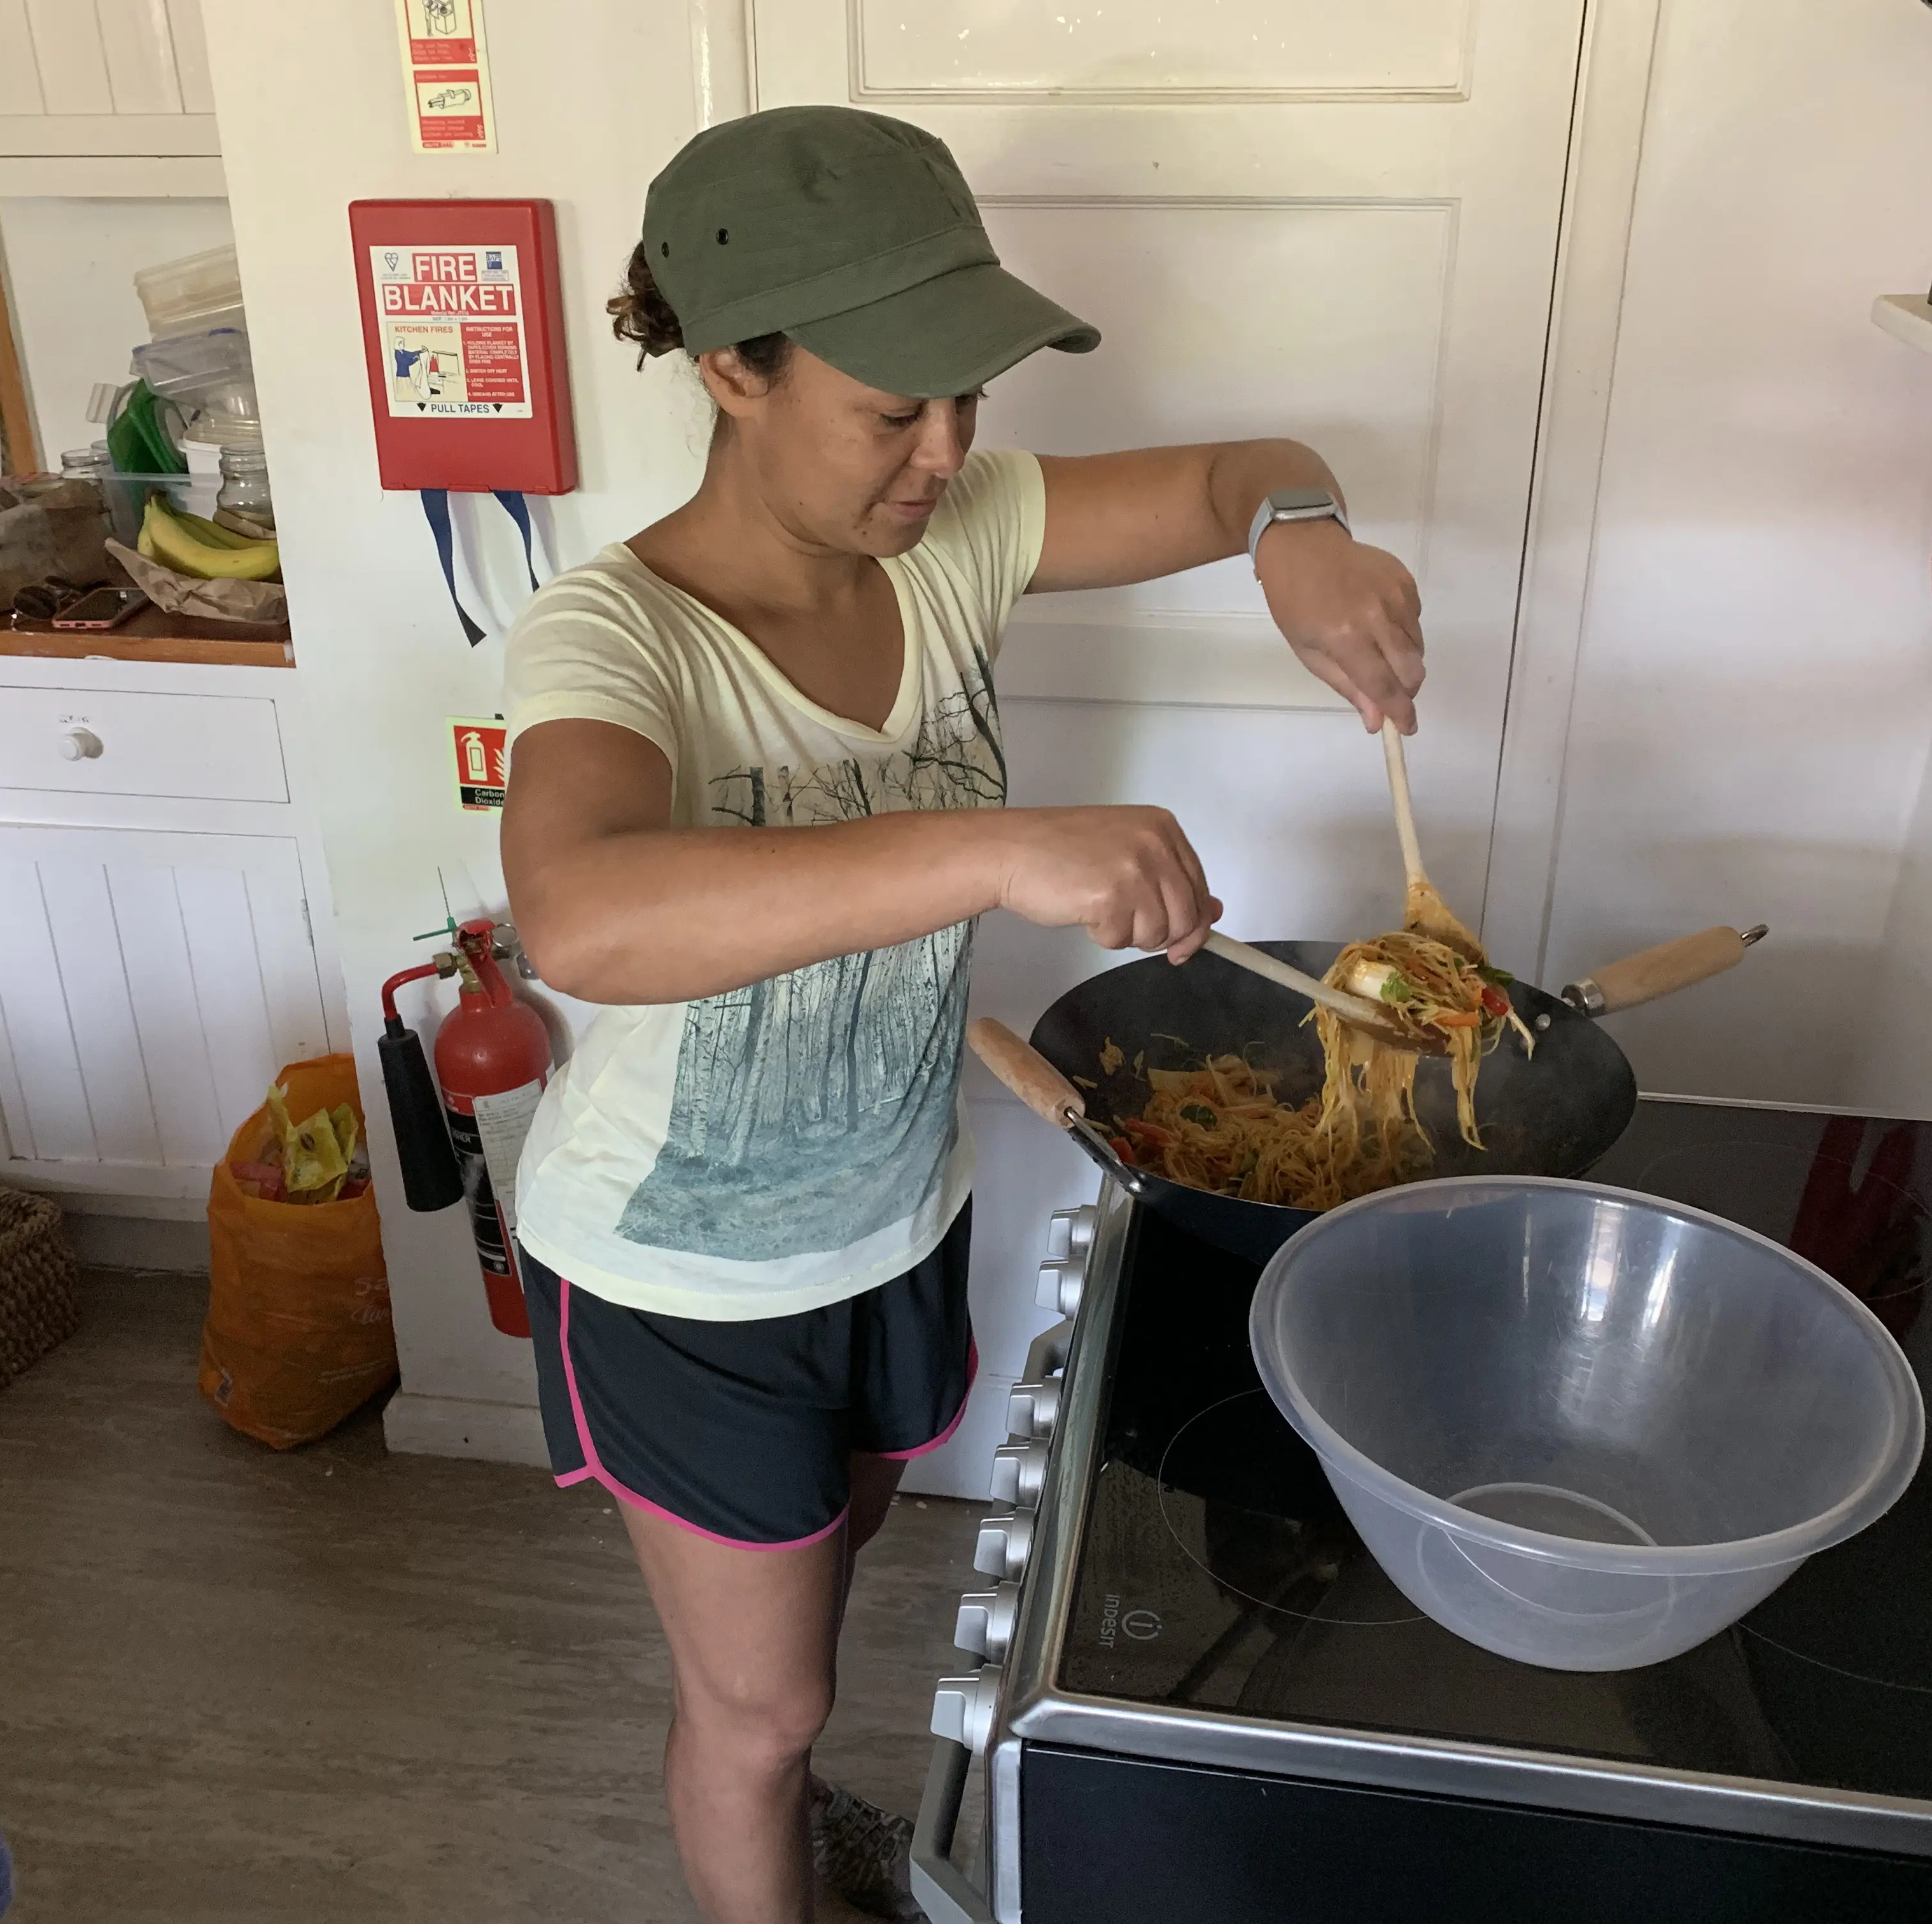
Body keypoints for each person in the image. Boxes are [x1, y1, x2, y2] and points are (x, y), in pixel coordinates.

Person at [498, 106, 1425, 1923]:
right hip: (688, 1285)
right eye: (892, 409)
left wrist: (1297, 530)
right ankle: (764, 1823)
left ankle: (785, 1816)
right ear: (733, 369)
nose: (947, 452)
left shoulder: (953, 539)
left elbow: (1242, 472)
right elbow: (582, 915)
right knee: (760, 1709)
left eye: (966, 400)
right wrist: (1000, 848)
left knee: (817, 1608)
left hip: (894, 1224)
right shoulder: (616, 637)